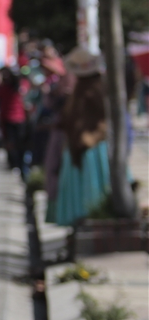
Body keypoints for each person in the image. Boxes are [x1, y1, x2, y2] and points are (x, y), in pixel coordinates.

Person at [44, 48, 112, 226]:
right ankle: (82, 221)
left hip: (91, 147)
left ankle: (89, 219)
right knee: (82, 187)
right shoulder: (84, 88)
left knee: (90, 187)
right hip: (81, 146)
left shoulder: (94, 88)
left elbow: (101, 119)